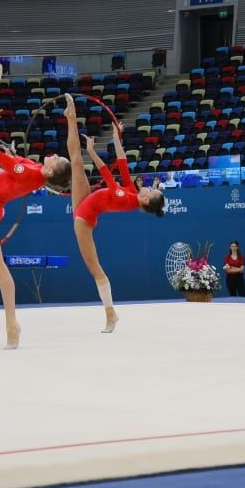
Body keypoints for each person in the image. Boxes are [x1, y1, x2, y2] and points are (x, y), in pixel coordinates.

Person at [0, 64, 72, 348]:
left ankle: (12, 326)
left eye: (56, 159)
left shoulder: (32, 173)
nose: (52, 155)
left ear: (52, 173)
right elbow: (5, 161)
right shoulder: (36, 169)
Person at [66, 97, 164, 332]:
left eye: (151, 189)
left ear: (146, 199)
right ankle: (71, 116)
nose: (149, 186)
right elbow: (122, 162)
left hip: (84, 218)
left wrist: (91, 149)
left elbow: (106, 174)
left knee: (94, 267)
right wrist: (116, 135)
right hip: (85, 202)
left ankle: (111, 314)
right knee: (76, 162)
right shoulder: (131, 190)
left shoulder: (126, 197)